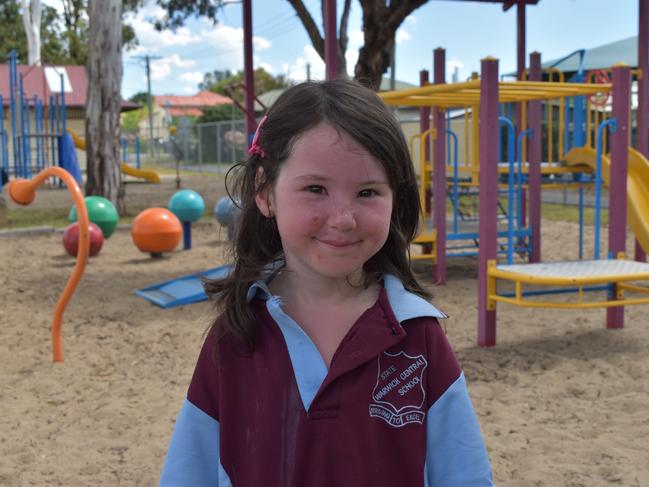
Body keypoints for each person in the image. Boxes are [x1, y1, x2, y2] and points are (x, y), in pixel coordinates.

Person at [159, 79, 494, 486]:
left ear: (395, 199)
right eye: (316, 188)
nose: (343, 218)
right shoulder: (234, 338)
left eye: (368, 192)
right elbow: (189, 474)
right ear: (265, 193)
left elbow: (464, 475)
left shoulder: (418, 339)